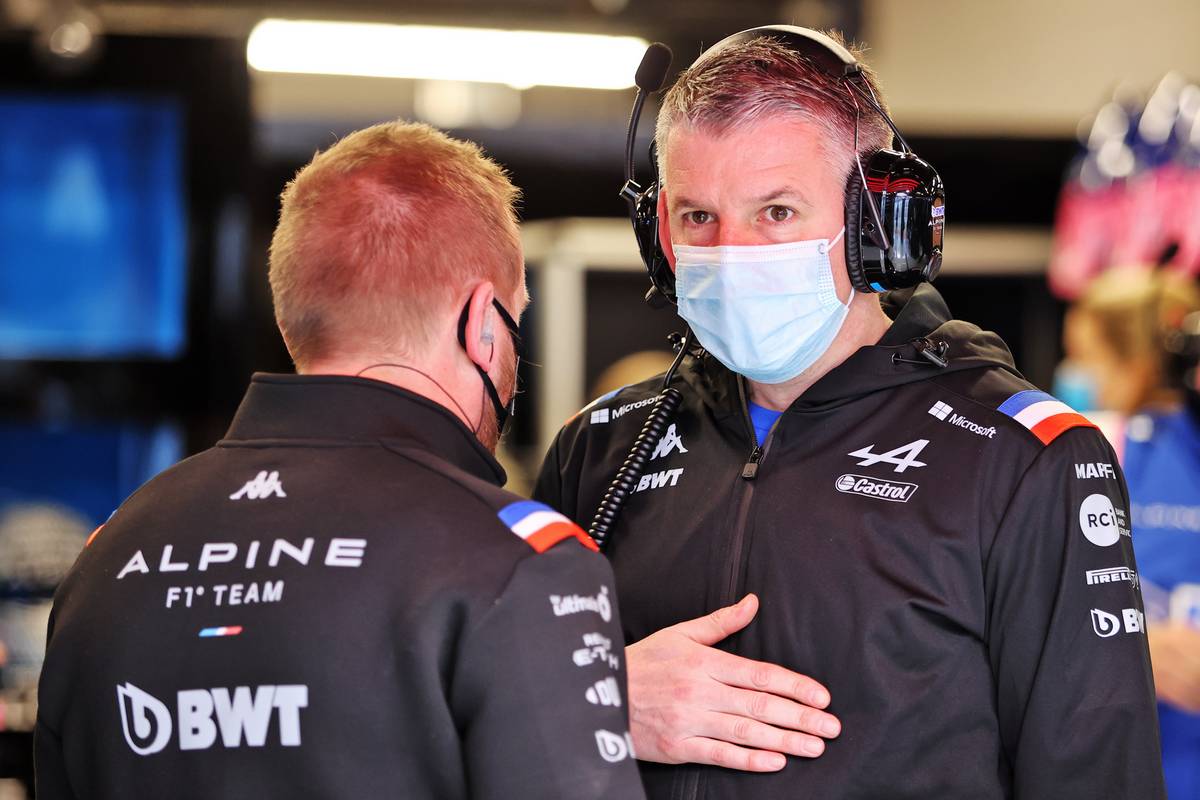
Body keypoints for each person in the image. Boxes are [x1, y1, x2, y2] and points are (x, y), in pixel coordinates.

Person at [535, 26, 1164, 798]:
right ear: (658, 229)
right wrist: (597, 700)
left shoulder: (1024, 460)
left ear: (876, 228)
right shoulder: (596, 452)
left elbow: (1097, 776)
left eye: (776, 212)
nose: (731, 253)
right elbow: (485, 738)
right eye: (698, 217)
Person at [35, 121, 645, 799]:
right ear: (481, 322)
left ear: (294, 312)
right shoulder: (520, 563)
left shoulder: (106, 557)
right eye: (513, 319)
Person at [1059, 267, 1200, 799]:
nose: (1075, 373)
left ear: (1136, 360)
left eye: (1087, 355)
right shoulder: (1096, 447)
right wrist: (1131, 648)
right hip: (1126, 763)